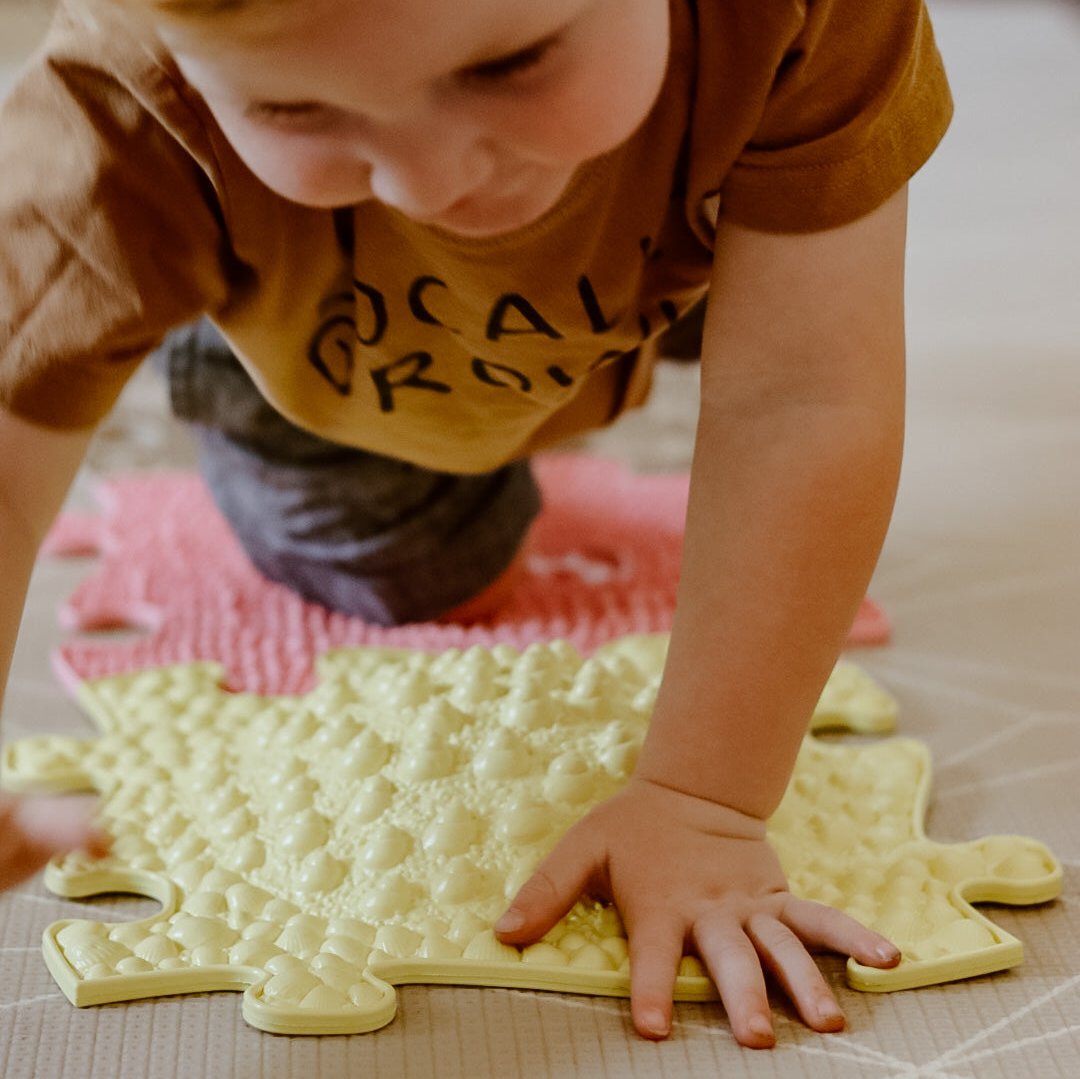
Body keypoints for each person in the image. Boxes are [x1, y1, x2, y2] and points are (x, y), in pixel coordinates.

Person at [0, 0, 952, 1047]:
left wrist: (703, 801)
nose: (430, 182)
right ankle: (192, 323)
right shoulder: (119, 106)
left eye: (512, 64)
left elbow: (804, 396)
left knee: (806, 298)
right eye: (296, 105)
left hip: (680, 245)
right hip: (332, 336)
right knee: (425, 572)